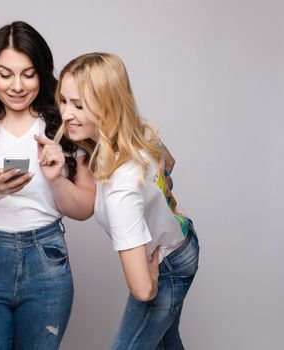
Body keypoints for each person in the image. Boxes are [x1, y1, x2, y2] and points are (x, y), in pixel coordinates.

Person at [0, 21, 95, 350]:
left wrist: (56, 180)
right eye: (5, 74)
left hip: (47, 263)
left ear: (42, 72)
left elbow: (83, 209)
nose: (17, 86)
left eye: (28, 74)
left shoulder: (64, 125)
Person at [53, 52, 199, 349]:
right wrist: (160, 193)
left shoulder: (120, 189)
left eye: (79, 105)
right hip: (184, 240)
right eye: (64, 101)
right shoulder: (138, 131)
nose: (66, 114)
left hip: (167, 265)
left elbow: (143, 290)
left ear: (108, 105)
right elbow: (169, 163)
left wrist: (155, 279)